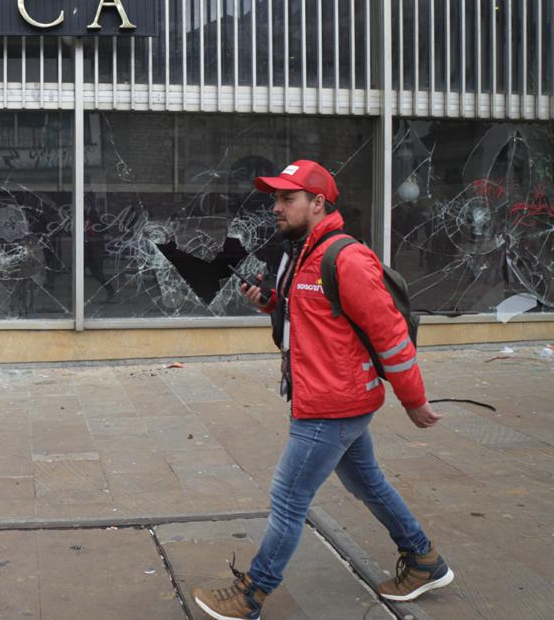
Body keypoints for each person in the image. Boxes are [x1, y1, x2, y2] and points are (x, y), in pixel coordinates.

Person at [190, 160, 454, 620]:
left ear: (318, 202)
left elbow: (390, 335)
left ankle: (252, 594)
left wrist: (414, 401)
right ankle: (423, 560)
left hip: (333, 405)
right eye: (275, 198)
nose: (276, 207)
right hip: (327, 396)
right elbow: (310, 314)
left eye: (286, 199)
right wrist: (268, 302)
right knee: (367, 483)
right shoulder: (301, 253)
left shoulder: (344, 257)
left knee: (289, 498)